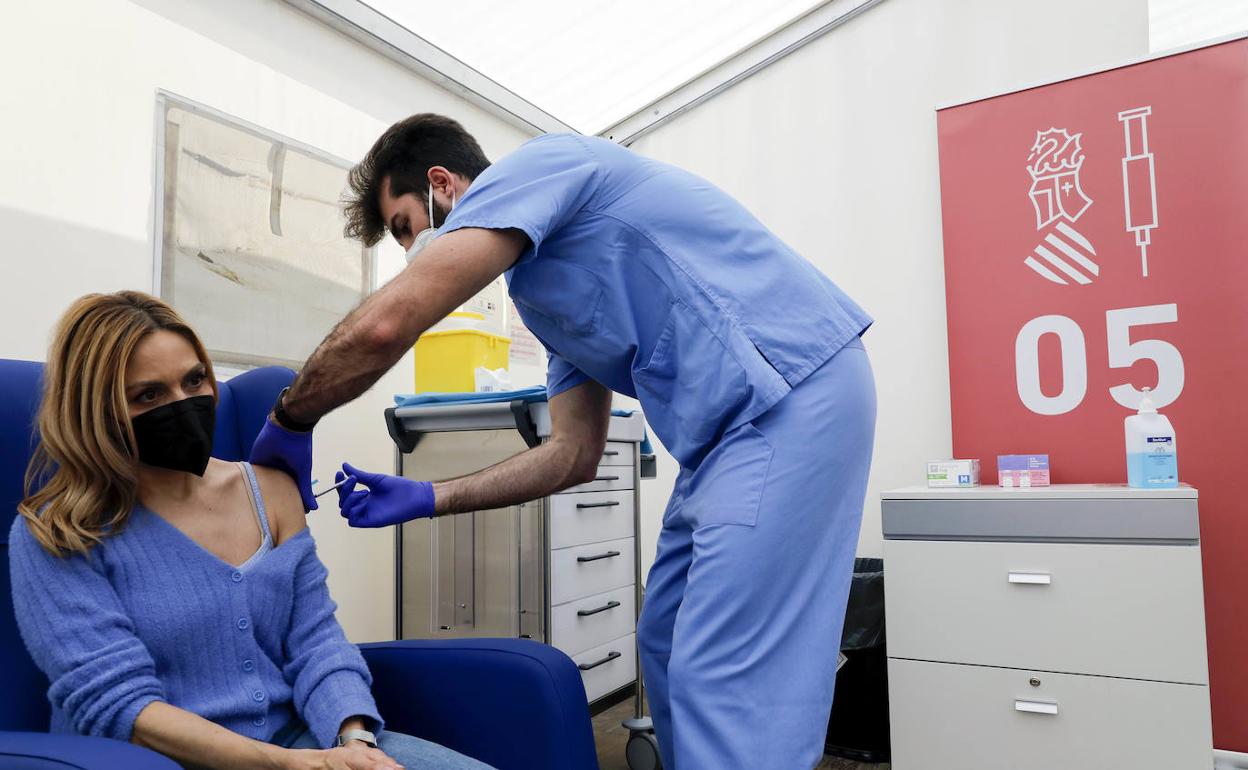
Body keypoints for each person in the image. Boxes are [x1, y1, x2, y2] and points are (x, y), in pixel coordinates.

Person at [250, 114, 877, 769]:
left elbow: (385, 327)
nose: (414, 252)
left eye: (408, 227)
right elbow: (573, 455)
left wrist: (289, 420)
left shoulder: (540, 165)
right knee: (663, 640)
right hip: (723, 442)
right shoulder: (539, 291)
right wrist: (427, 496)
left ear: (443, 185)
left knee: (724, 677)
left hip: (791, 394)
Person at [10, 291, 493, 770]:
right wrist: (288, 765)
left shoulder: (270, 492)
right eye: (149, 395)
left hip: (302, 745)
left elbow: (316, 642)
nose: (183, 404)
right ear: (96, 410)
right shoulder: (58, 533)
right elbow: (121, 708)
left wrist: (354, 742)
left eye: (195, 380)